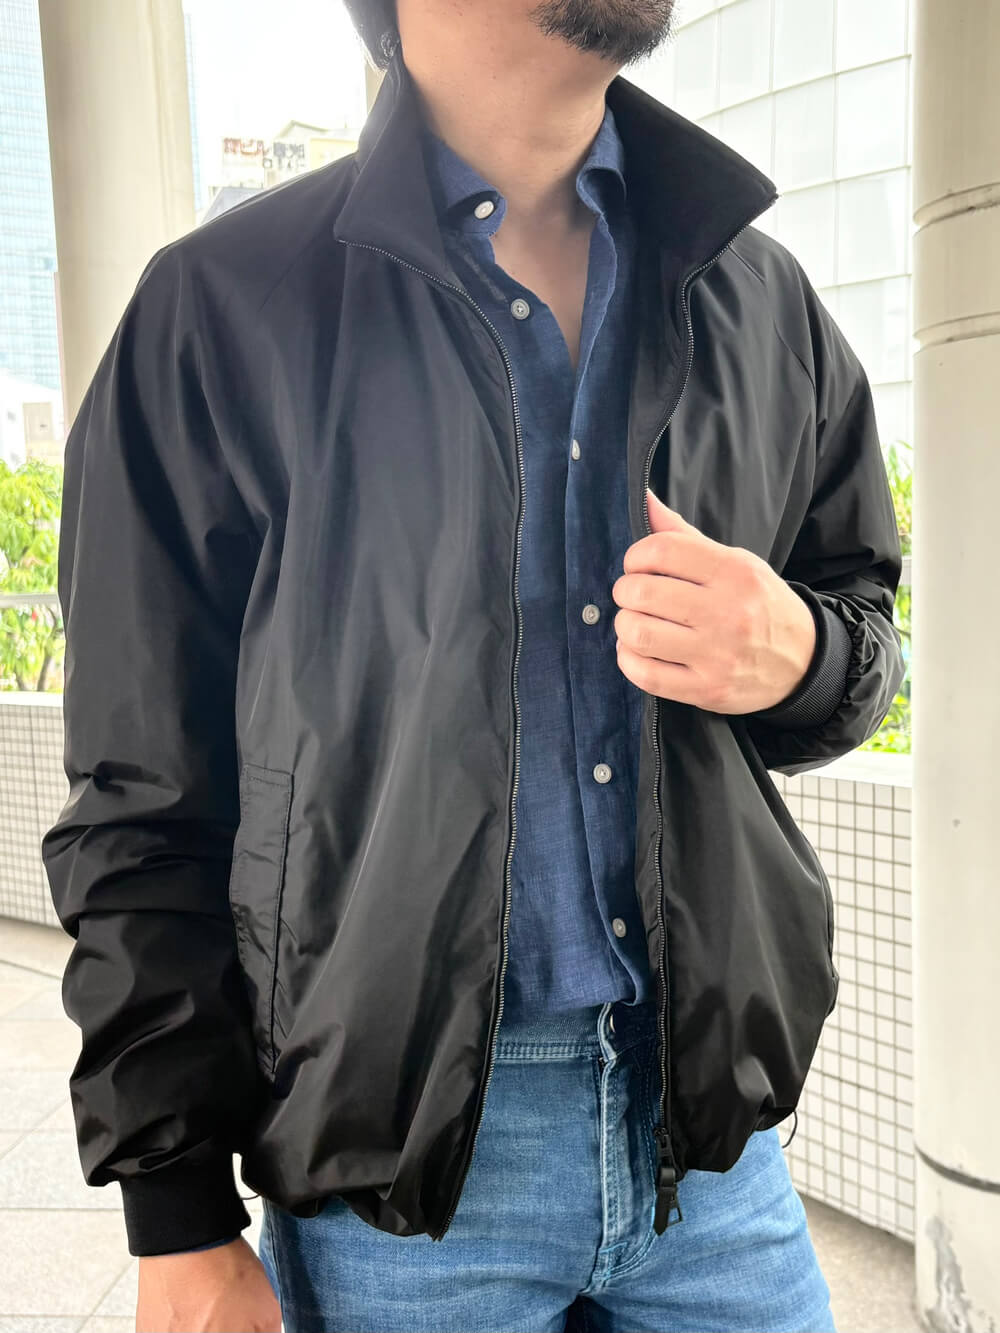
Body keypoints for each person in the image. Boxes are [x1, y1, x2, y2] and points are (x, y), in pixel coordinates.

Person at [41, 0, 905, 1329]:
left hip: (714, 1153)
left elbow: (865, 632)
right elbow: (142, 791)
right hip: (402, 1184)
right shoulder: (224, 310)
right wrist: (178, 1211)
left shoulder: (759, 298)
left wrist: (799, 651)